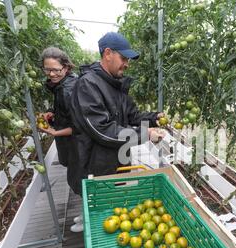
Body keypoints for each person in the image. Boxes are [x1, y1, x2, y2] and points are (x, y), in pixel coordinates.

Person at [68, 32, 165, 232]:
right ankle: (89, 223)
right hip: (94, 164)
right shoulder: (88, 85)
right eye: (124, 58)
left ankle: (88, 218)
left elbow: (132, 116)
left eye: (128, 59)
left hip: (115, 161)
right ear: (108, 53)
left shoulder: (115, 85)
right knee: (101, 219)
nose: (127, 64)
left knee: (110, 210)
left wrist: (154, 117)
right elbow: (102, 130)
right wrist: (146, 134)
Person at [38, 47, 84, 232]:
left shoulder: (68, 90)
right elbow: (66, 113)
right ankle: (85, 212)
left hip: (77, 143)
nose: (51, 74)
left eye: (56, 69)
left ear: (65, 68)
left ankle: (89, 219)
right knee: (77, 179)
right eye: (47, 70)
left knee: (79, 180)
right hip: (72, 143)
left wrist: (55, 132)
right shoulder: (62, 85)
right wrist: (53, 114)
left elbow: (79, 125)